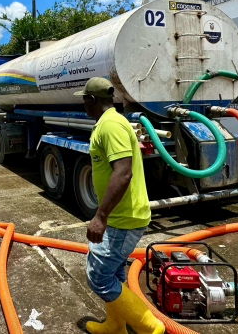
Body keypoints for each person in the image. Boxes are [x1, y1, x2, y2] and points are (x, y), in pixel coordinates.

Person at [75, 77, 164, 334]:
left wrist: (100, 216)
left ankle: (150, 328)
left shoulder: (110, 126)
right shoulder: (112, 122)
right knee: (114, 274)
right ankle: (115, 326)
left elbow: (123, 173)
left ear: (91, 100)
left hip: (122, 218)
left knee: (99, 277)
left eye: (84, 100)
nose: (83, 105)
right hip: (121, 215)